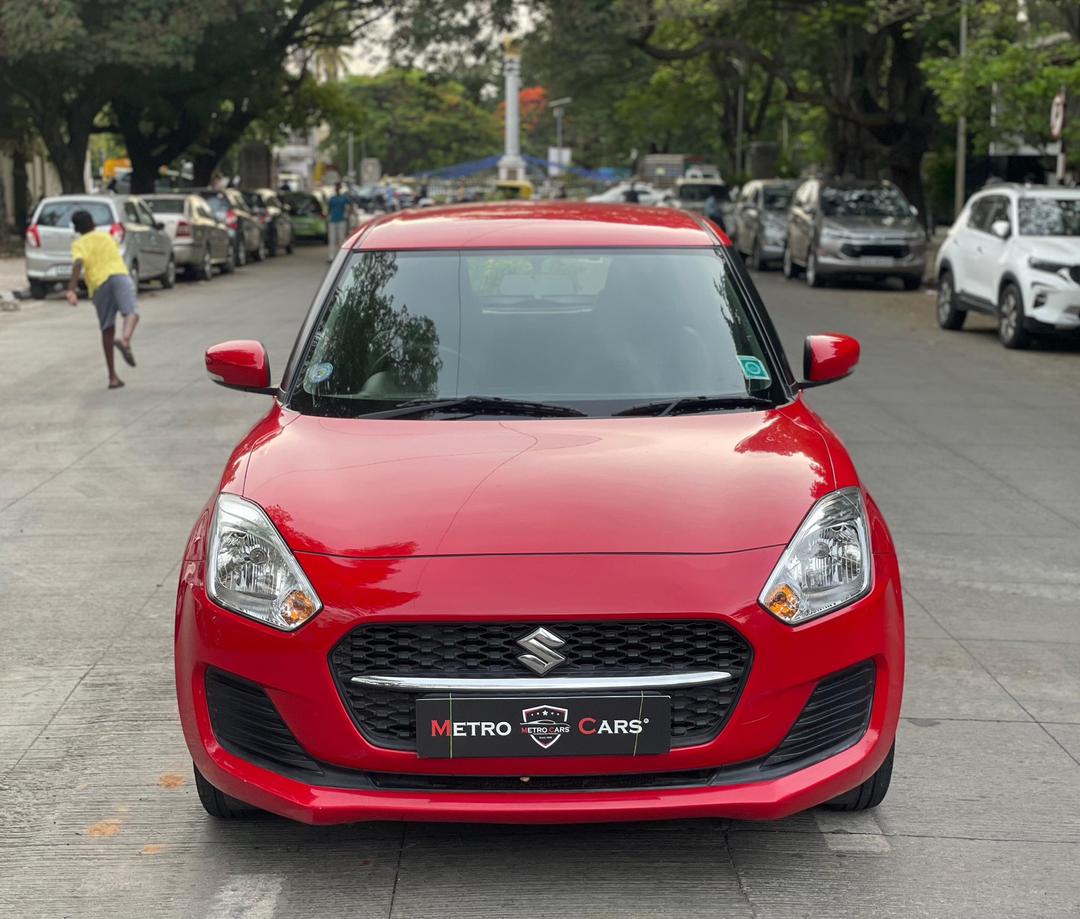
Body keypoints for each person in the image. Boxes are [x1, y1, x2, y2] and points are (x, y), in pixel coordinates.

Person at [65, 210, 139, 390]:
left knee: (107, 329)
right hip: (120, 276)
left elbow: (78, 263)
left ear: (76, 228)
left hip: (99, 285)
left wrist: (72, 289)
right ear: (93, 223)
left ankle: (112, 377)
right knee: (131, 313)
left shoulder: (78, 244)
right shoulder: (106, 237)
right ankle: (126, 340)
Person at [326, 182, 351, 262]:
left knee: (341, 238)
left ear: (340, 188)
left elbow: (349, 207)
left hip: (341, 220)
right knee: (332, 239)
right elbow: (328, 209)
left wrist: (347, 215)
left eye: (338, 187)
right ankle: (331, 256)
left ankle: (341, 257)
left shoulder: (344, 198)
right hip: (332, 220)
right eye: (336, 187)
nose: (337, 188)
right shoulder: (332, 198)